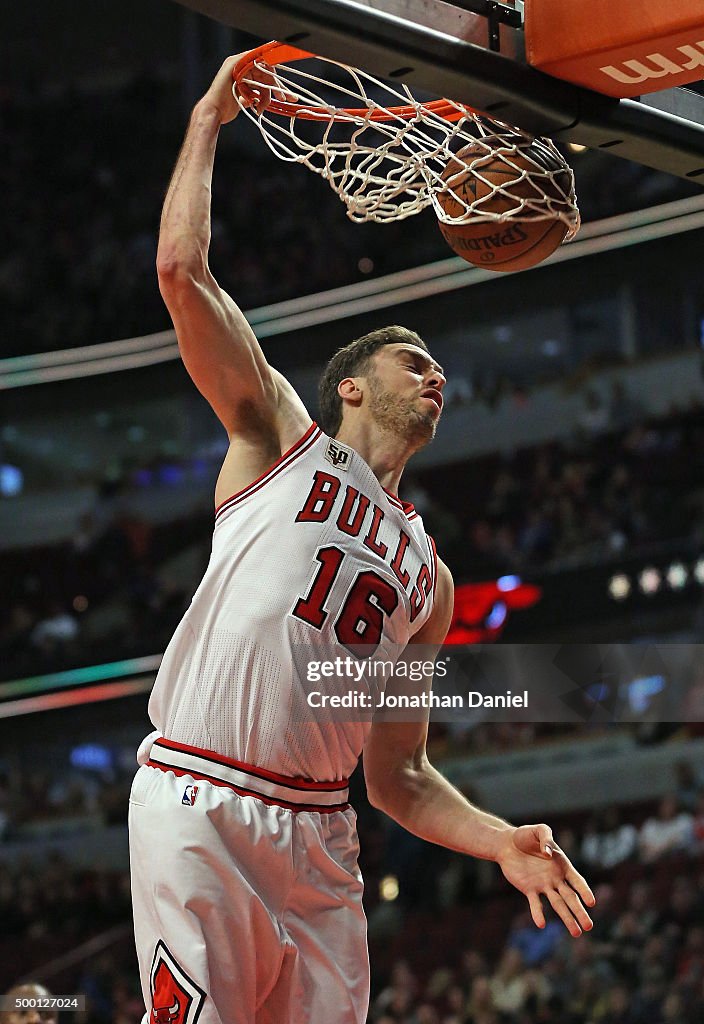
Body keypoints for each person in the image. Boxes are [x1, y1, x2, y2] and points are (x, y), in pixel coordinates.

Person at [128, 49, 596, 1024]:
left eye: (438, 370)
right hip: (200, 797)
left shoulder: (428, 579)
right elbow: (180, 271)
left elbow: (400, 778)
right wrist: (207, 121)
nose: (434, 377)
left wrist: (498, 838)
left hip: (319, 837)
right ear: (350, 384)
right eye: (411, 360)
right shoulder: (278, 442)